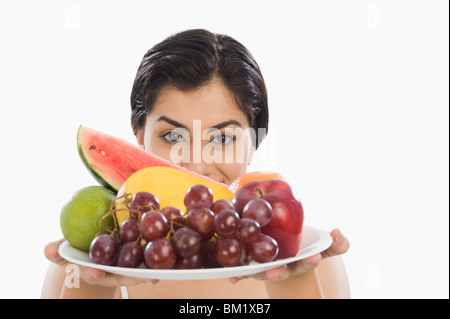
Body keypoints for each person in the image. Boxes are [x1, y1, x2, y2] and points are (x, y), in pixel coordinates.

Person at [41, 29, 350, 299]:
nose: (196, 167)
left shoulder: (313, 262)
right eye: (173, 136)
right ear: (139, 138)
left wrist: (294, 284)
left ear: (253, 144)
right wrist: (93, 286)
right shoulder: (83, 263)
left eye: (223, 139)